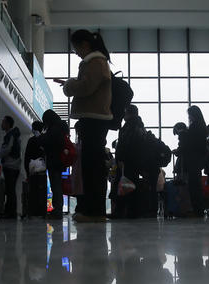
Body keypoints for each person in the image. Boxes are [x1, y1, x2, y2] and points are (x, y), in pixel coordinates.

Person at [63, 29, 113, 223]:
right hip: (94, 118)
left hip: (94, 118)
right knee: (92, 166)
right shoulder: (96, 62)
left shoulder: (95, 62)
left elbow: (86, 87)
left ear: (85, 45)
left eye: (76, 48)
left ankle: (95, 211)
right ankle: (93, 209)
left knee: (93, 167)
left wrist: (69, 85)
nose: (76, 52)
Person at [114, 104, 146, 218]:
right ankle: (132, 211)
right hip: (134, 161)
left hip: (127, 161)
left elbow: (127, 144)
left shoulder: (130, 126)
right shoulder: (138, 125)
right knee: (131, 184)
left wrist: (121, 158)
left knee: (124, 184)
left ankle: (121, 211)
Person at [40, 110, 67, 220]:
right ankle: (58, 210)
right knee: (57, 186)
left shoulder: (54, 129)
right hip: (59, 161)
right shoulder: (60, 127)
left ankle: (57, 211)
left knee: (55, 186)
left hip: (54, 161)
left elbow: (48, 142)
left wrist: (43, 136)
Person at [182, 106, 208, 217]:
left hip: (193, 159)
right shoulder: (202, 126)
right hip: (199, 159)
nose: (189, 117)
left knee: (194, 185)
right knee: (196, 184)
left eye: (190, 115)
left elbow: (189, 143)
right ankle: (199, 209)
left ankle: (197, 210)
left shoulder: (194, 127)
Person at [0, 116, 21, 219]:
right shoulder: (14, 135)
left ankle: (10, 213)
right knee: (10, 190)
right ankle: (9, 211)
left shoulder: (10, 135)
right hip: (14, 166)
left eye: (3, 122)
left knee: (10, 190)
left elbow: (7, 149)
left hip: (11, 166)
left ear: (7, 124)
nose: (1, 124)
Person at [24, 121, 47, 218]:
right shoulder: (44, 139)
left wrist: (27, 171)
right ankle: (42, 212)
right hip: (42, 171)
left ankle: (32, 212)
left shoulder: (31, 140)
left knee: (32, 192)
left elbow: (27, 157)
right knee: (42, 191)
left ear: (34, 128)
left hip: (32, 171)